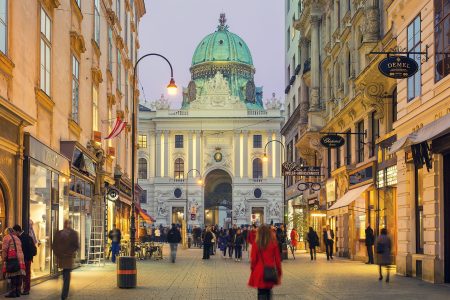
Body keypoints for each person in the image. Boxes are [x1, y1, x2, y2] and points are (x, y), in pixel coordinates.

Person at [248, 224, 282, 300]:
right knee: (268, 291)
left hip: (259, 272)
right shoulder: (274, 243)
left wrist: (253, 270)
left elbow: (253, 260)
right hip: (270, 271)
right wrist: (279, 272)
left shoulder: (256, 244)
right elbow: (277, 260)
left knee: (261, 292)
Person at [53, 220, 79, 300]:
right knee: (65, 275)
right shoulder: (58, 233)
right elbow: (54, 245)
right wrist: (58, 254)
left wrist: (69, 253)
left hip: (67, 259)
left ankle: (64, 295)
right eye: (65, 224)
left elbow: (76, 246)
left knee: (66, 276)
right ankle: (64, 292)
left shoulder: (74, 234)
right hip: (61, 258)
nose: (67, 225)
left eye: (68, 224)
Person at [13, 225, 37, 296]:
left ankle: (25, 289)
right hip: (28, 258)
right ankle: (26, 289)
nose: (14, 233)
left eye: (14, 232)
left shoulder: (20, 238)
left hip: (24, 259)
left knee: (24, 274)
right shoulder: (28, 236)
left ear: (17, 231)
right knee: (27, 274)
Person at [2, 228, 26, 298]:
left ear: (7, 232)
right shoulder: (17, 238)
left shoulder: (6, 237)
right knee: (18, 275)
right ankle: (18, 291)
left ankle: (13, 292)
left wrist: (3, 259)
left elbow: (4, 249)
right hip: (20, 258)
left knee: (13, 275)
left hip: (12, 258)